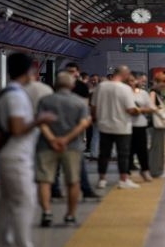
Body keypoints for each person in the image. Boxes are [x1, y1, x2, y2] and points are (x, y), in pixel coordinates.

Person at [0, 53, 56, 247]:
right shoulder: (16, 96)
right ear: (30, 71)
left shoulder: (9, 92)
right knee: (24, 204)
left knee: (7, 205)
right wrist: (40, 120)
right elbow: (17, 128)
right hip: (16, 157)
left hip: (10, 155)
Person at [36, 72, 92, 226]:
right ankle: (70, 215)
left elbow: (41, 122)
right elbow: (82, 124)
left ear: (55, 84)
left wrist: (53, 139)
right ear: (72, 85)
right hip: (72, 146)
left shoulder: (45, 101)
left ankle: (46, 212)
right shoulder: (79, 102)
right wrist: (66, 139)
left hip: (46, 145)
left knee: (44, 180)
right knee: (73, 181)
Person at [91, 65, 141, 189]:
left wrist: (96, 119)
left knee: (104, 154)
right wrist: (139, 110)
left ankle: (102, 180)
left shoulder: (101, 87)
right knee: (123, 154)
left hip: (104, 126)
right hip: (122, 127)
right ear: (124, 74)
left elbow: (93, 106)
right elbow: (130, 109)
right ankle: (123, 180)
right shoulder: (125, 89)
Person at [59, 63, 100, 200]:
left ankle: (86, 189)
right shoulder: (55, 89)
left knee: (79, 162)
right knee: (56, 165)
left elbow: (84, 108)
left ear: (78, 72)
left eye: (73, 71)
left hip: (75, 128)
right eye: (69, 72)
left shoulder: (82, 87)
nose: (72, 74)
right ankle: (54, 189)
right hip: (58, 131)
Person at [127, 74, 154, 182]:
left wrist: (139, 110)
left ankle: (145, 170)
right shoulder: (123, 93)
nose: (143, 83)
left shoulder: (143, 93)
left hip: (140, 125)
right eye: (142, 81)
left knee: (142, 149)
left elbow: (150, 108)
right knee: (127, 150)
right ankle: (126, 172)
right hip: (126, 125)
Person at [149, 73, 165, 178]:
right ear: (155, 82)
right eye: (162, 83)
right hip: (155, 123)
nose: (164, 85)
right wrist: (164, 110)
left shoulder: (157, 92)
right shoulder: (153, 92)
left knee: (160, 147)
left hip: (159, 123)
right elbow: (151, 107)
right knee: (156, 147)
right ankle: (154, 170)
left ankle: (158, 169)